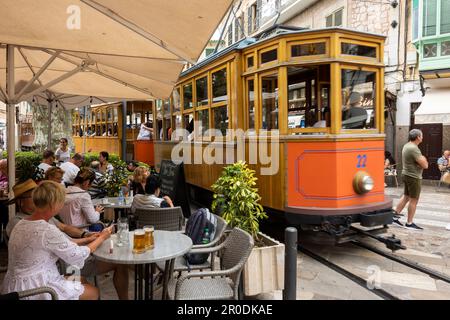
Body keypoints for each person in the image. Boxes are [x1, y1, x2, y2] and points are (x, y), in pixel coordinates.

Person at [5, 179, 129, 300]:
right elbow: (76, 254)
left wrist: (87, 237)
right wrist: (102, 237)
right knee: (93, 292)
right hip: (38, 288)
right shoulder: (43, 228)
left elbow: (57, 242)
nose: (63, 205)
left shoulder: (23, 224)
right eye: (61, 202)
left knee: (80, 280)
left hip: (20, 284)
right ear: (53, 204)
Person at [393, 129, 428, 230]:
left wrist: (421, 160)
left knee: (406, 197)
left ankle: (394, 216)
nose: (422, 137)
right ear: (418, 137)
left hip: (406, 174)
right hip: (413, 177)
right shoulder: (414, 148)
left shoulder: (407, 145)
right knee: (414, 200)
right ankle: (409, 223)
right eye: (422, 136)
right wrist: (424, 159)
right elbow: (425, 165)